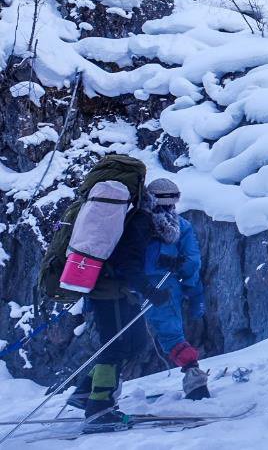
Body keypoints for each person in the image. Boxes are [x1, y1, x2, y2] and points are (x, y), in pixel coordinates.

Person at [68, 183, 164, 431]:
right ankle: (99, 410)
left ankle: (84, 394)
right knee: (117, 347)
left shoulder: (135, 218)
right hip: (110, 291)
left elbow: (129, 253)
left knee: (135, 343)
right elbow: (127, 261)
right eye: (172, 200)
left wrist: (166, 262)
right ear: (159, 201)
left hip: (115, 290)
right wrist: (149, 290)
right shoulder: (141, 220)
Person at [142, 179, 210, 400]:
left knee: (121, 339)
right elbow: (191, 261)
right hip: (164, 287)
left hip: (129, 286)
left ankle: (91, 391)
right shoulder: (181, 226)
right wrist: (193, 290)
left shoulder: (132, 221)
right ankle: (196, 386)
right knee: (172, 335)